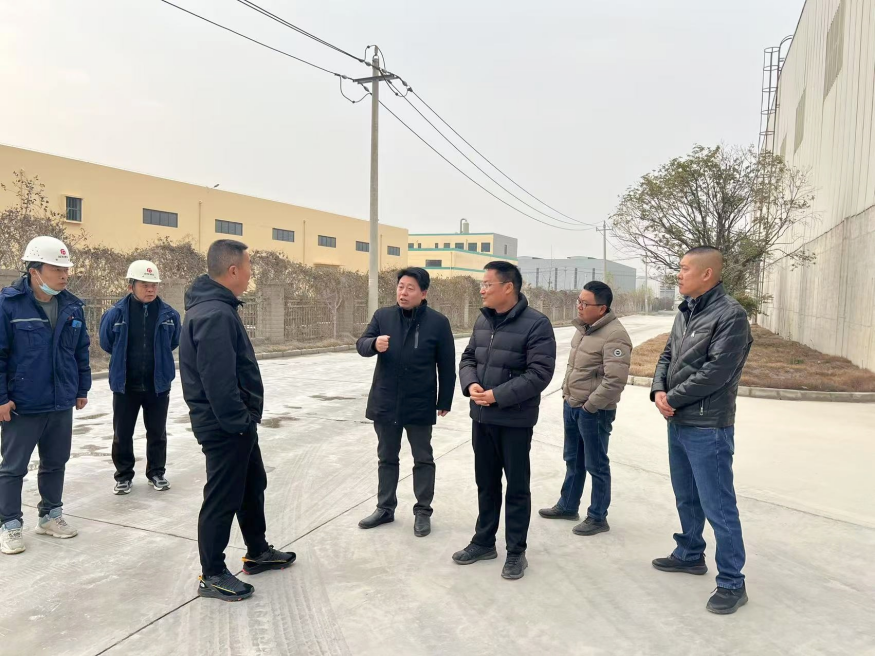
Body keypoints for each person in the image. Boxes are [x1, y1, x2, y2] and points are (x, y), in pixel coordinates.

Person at [179, 239, 294, 602]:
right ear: (233, 271)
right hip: (225, 425)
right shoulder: (214, 314)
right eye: (248, 268)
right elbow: (218, 380)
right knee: (223, 497)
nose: (250, 275)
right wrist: (239, 422)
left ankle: (257, 551)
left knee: (251, 485)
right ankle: (212, 573)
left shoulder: (218, 307)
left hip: (235, 423)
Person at [649, 246, 753, 615]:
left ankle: (732, 582)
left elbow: (717, 372)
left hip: (708, 426)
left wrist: (673, 398)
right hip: (678, 420)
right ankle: (690, 553)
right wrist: (658, 391)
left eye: (684, 268)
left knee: (718, 505)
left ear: (707, 274)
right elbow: (667, 355)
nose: (678, 275)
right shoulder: (686, 311)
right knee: (686, 496)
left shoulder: (731, 315)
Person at [453, 261, 556, 580]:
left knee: (517, 487)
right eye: (482, 284)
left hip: (514, 420)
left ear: (508, 287)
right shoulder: (483, 320)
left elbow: (540, 373)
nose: (482, 290)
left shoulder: (537, 324)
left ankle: (516, 552)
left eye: (487, 284)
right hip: (482, 417)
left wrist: (497, 395)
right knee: (486, 483)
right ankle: (484, 541)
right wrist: (471, 384)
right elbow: (468, 358)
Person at [0, 236, 91, 555]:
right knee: (13, 467)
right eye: (57, 269)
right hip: (22, 404)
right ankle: (9, 524)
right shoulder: (8, 305)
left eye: (66, 269)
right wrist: (1, 397)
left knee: (55, 462)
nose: (64, 275)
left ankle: (50, 516)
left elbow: (81, 351)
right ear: (34, 271)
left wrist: (81, 388)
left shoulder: (72, 306)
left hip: (60, 401)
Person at [355, 267, 455, 538]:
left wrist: (444, 399)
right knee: (386, 457)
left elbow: (446, 365)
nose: (403, 292)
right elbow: (361, 344)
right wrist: (373, 344)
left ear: (423, 293)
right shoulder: (383, 316)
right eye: (401, 287)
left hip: (419, 402)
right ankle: (385, 508)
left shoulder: (438, 322)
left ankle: (423, 511)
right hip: (386, 400)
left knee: (423, 458)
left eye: (410, 288)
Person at [539, 281, 631, 536]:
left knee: (596, 464)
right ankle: (568, 505)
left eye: (585, 303)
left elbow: (615, 380)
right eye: (578, 301)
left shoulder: (615, 335)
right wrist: (568, 395)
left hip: (594, 411)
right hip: (572, 404)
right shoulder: (583, 329)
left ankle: (598, 517)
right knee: (573, 459)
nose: (579, 306)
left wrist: (590, 406)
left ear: (602, 308)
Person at [99, 260, 181, 495]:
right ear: (131, 286)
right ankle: (123, 476)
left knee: (157, 432)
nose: (150, 289)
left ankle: (156, 472)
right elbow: (106, 342)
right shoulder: (115, 314)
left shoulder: (169, 315)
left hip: (157, 385)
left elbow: (174, 341)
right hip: (126, 385)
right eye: (144, 285)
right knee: (122, 433)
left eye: (154, 285)